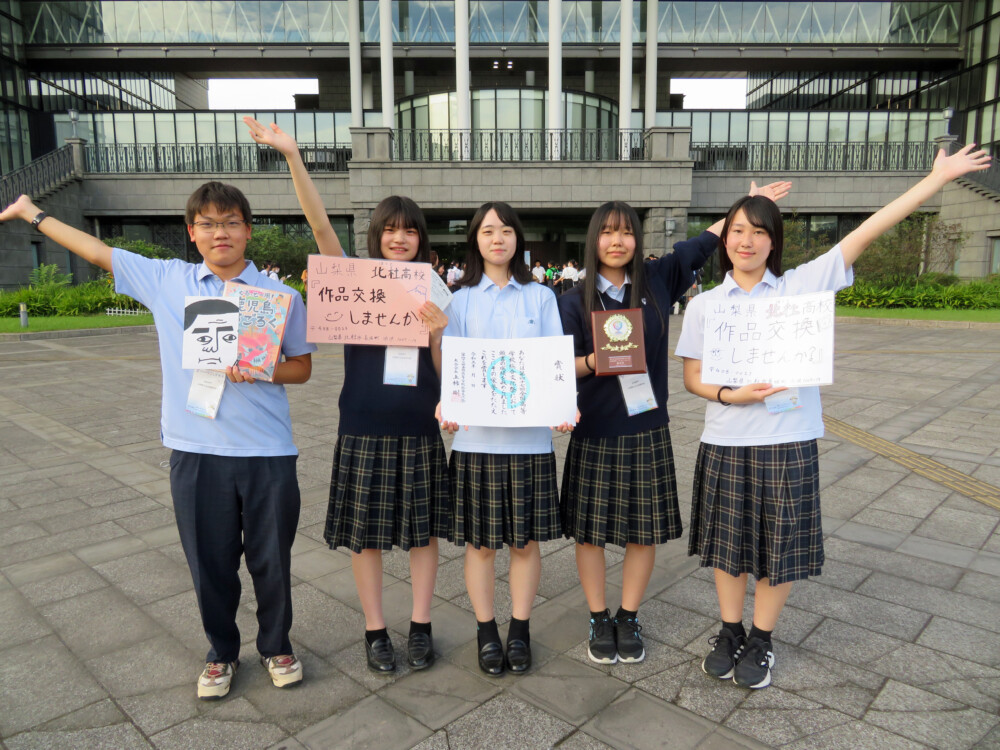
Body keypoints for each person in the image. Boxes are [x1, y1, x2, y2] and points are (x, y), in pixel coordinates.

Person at [677, 144, 990, 690]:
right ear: (724, 240)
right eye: (737, 231)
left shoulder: (802, 286)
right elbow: (693, 379)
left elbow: (869, 230)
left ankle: (762, 640)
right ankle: (729, 631)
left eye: (758, 232)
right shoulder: (705, 305)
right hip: (726, 438)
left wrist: (936, 179)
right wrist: (734, 396)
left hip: (787, 439)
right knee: (728, 548)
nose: (746, 241)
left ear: (774, 242)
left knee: (778, 549)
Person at [0, 184, 316, 700]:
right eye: (208, 224)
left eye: (230, 222)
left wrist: (261, 369)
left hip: (267, 452)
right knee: (209, 563)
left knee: (271, 561)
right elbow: (96, 250)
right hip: (195, 450)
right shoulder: (168, 280)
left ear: (247, 230)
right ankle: (221, 652)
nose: (220, 233)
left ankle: (276, 645)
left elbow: (301, 367)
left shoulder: (279, 297)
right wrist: (32, 214)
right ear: (192, 232)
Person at [245, 117, 450, 674]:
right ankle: (375, 629)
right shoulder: (353, 280)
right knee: (366, 537)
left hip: (418, 425)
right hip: (362, 424)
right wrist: (293, 156)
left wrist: (436, 334)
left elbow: (444, 374)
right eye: (390, 230)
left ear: (421, 238)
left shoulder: (435, 289)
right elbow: (319, 226)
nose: (399, 238)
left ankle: (422, 624)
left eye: (409, 231)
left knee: (423, 533)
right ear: (377, 235)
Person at [558, 182, 793, 667]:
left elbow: (705, 243)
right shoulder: (573, 300)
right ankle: (599, 617)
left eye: (626, 232)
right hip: (595, 427)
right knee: (589, 533)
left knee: (642, 532)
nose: (617, 241)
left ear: (637, 239)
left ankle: (628, 615)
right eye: (607, 233)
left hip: (646, 427)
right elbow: (559, 365)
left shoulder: (657, 279)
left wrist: (743, 208)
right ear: (593, 240)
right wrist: (596, 360)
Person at [439, 201, 575, 677]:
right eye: (487, 231)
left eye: (506, 231)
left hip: (530, 442)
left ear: (518, 238)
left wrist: (564, 404)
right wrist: (446, 402)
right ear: (475, 240)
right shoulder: (458, 299)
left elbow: (555, 362)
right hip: (475, 443)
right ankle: (485, 630)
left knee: (524, 543)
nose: (497, 239)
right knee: (480, 546)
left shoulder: (541, 297)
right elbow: (452, 365)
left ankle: (519, 629)